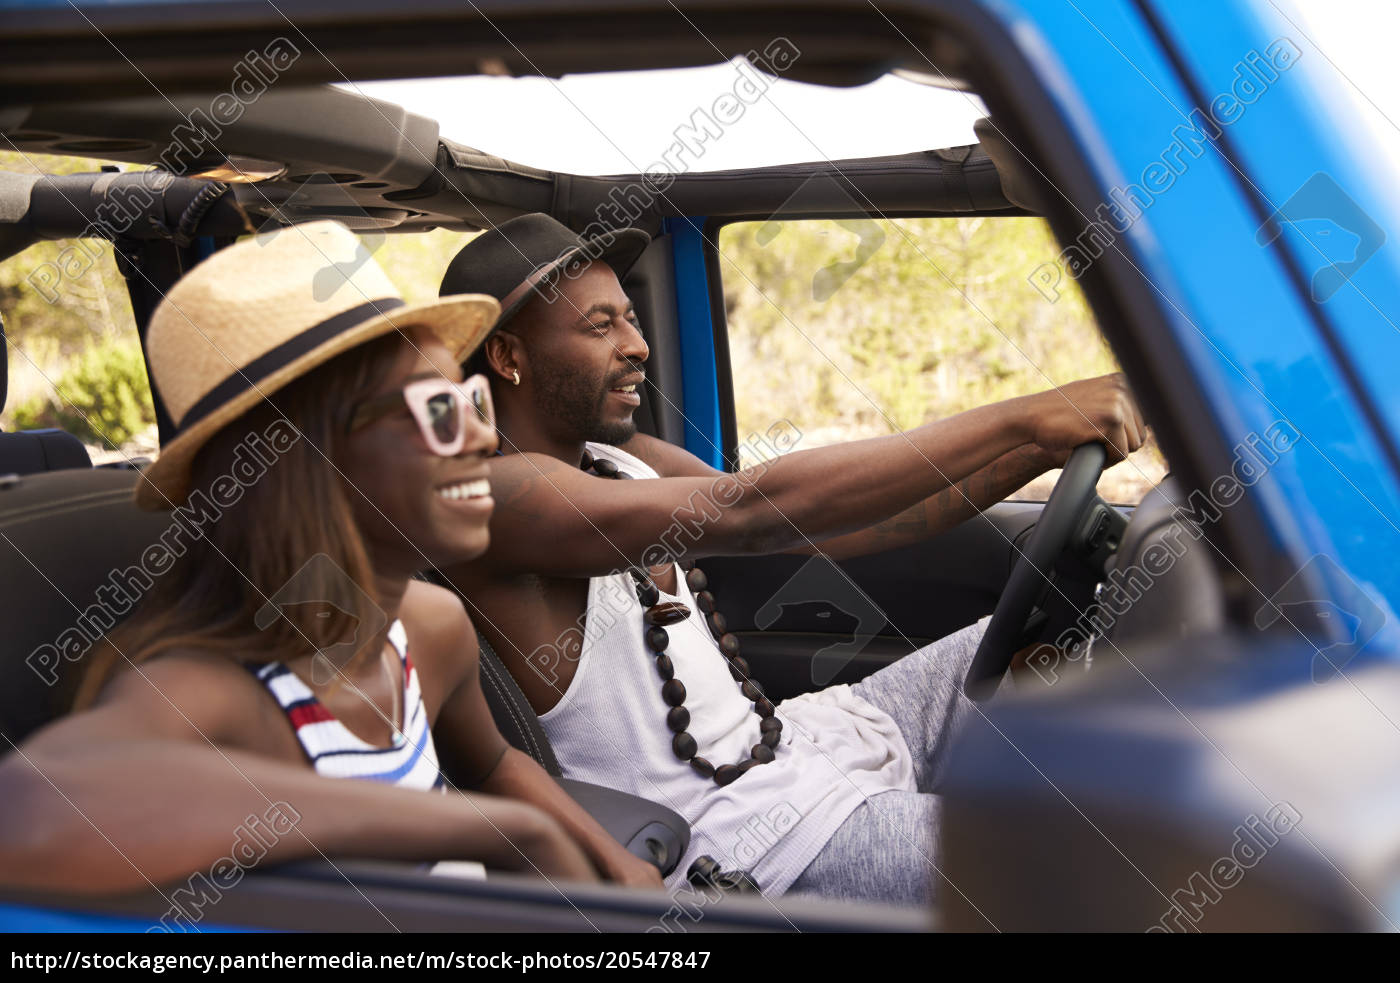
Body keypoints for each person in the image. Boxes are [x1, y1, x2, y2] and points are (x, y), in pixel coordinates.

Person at [435, 213, 1147, 905]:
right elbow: (752, 511)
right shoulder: (497, 497)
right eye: (601, 325)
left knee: (1050, 645)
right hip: (744, 843)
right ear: (507, 357)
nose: (637, 345)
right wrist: (1026, 413)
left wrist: (1038, 450)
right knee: (1077, 860)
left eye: (630, 317)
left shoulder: (624, 460)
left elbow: (846, 528)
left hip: (797, 746)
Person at [0, 221, 663, 896]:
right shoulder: (220, 692)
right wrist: (489, 829)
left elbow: (494, 763)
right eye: (436, 408)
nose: (480, 434)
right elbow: (26, 814)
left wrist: (603, 864)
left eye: (470, 400)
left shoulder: (431, 629)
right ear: (308, 457)